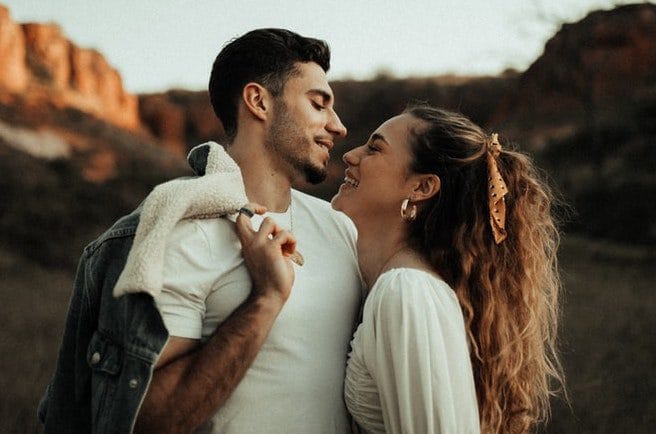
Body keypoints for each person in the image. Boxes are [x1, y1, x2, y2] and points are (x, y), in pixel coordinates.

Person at [38, 28, 363, 434]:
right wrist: (264, 301)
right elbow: (145, 421)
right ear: (258, 101)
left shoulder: (340, 229)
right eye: (318, 104)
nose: (338, 126)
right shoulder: (179, 232)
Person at [243, 104, 565, 433]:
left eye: (375, 148)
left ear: (421, 188)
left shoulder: (406, 291)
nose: (351, 155)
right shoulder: (387, 283)